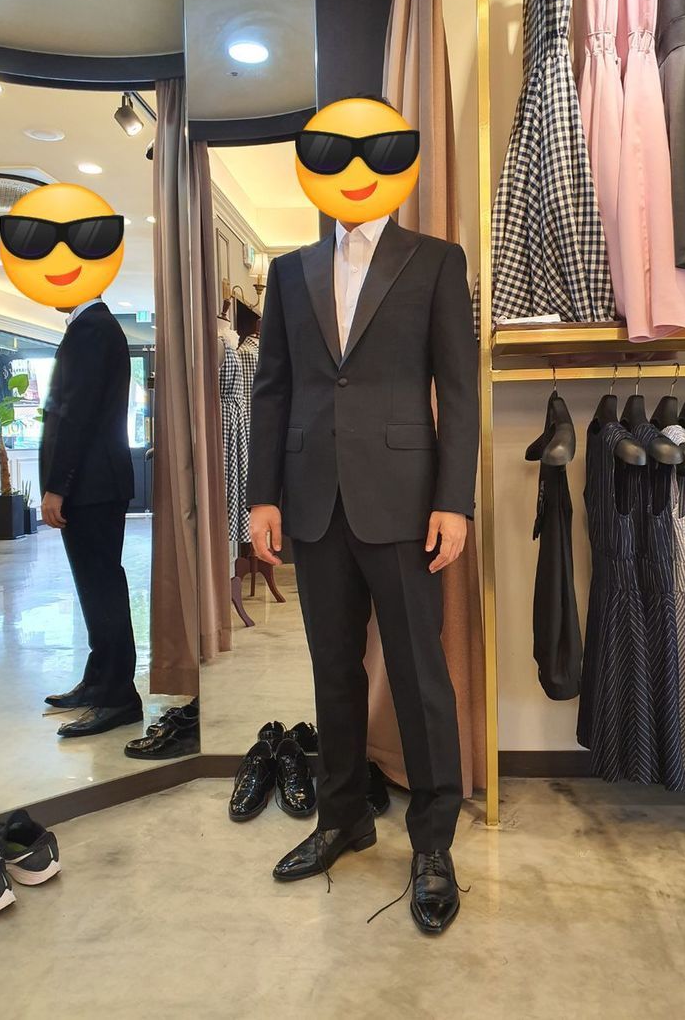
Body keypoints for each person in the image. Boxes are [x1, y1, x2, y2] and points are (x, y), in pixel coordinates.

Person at [248, 96, 479, 934]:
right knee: (333, 671)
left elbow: (458, 390)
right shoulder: (288, 272)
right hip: (313, 503)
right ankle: (342, 815)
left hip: (407, 501)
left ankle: (433, 842)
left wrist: (454, 499)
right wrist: (262, 495)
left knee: (420, 675)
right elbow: (273, 389)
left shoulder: (436, 261)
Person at [40, 297, 141, 737]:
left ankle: (118, 696)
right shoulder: (93, 326)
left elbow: (76, 414)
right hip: (94, 482)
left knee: (102, 588)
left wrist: (58, 484)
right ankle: (100, 680)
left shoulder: (93, 328)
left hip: (91, 484)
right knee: (95, 587)